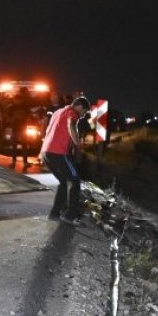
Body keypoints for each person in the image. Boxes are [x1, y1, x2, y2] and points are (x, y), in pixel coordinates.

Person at [38, 96, 88, 224]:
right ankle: (71, 216)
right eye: (84, 112)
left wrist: (41, 153)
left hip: (46, 152)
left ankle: (55, 213)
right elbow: (71, 125)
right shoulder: (72, 113)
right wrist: (77, 145)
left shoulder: (57, 112)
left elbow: (49, 130)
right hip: (58, 153)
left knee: (64, 182)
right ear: (80, 107)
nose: (83, 115)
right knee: (75, 181)